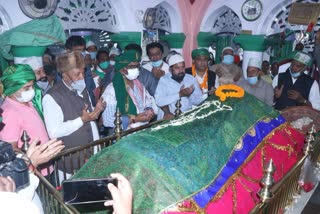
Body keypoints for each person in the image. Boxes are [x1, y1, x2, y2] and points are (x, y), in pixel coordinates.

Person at [42, 52, 106, 176]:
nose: (82, 77)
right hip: (70, 162)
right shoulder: (52, 97)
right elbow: (54, 131)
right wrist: (82, 120)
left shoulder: (81, 87)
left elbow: (89, 117)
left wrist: (97, 110)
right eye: (77, 74)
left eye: (83, 72)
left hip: (91, 156)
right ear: (64, 75)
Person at [0, 64, 64, 176]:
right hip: (33, 172)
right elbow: (11, 149)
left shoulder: (28, 102)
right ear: (12, 89)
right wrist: (33, 159)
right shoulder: (9, 112)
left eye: (32, 85)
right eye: (26, 88)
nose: (32, 90)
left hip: (45, 166)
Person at [101, 50, 157, 131]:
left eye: (137, 66)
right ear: (122, 69)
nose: (136, 69)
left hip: (143, 131)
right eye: (131, 67)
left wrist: (149, 110)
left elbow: (148, 101)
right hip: (124, 135)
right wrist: (134, 119)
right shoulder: (112, 90)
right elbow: (107, 120)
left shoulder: (139, 85)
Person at [155, 53, 203, 120]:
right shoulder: (164, 80)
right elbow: (159, 101)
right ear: (170, 69)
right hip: (168, 119)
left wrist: (189, 95)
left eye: (183, 67)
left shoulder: (190, 79)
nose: (181, 71)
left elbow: (199, 100)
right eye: (177, 68)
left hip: (186, 119)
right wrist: (179, 94)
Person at [65, 35, 96, 106]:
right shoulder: (63, 70)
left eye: (83, 50)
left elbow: (91, 89)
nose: (82, 54)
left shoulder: (86, 67)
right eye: (78, 51)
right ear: (68, 51)